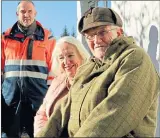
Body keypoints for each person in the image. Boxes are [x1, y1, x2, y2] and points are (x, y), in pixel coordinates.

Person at [35, 7, 160, 137]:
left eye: (102, 32)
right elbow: (63, 111)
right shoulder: (89, 66)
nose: (96, 41)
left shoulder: (134, 58)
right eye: (90, 36)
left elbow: (113, 114)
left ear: (119, 32)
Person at [1, 1, 55, 137]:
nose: (26, 15)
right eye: (23, 11)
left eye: (30, 11)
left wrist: (50, 101)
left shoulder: (48, 38)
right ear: (17, 14)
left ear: (35, 13)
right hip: (10, 103)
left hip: (38, 103)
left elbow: (54, 72)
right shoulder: (5, 39)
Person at [34, 36, 90, 136]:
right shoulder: (57, 82)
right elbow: (41, 114)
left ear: (81, 55)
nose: (66, 62)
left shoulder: (92, 79)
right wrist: (41, 133)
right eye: (61, 57)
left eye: (70, 55)